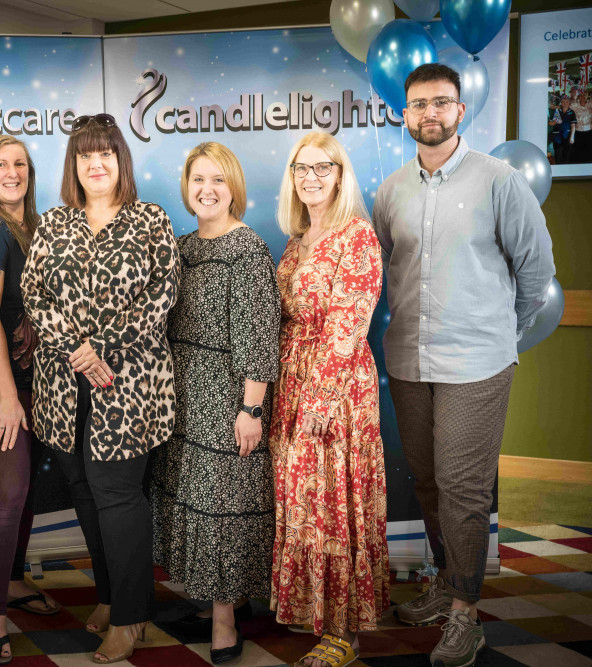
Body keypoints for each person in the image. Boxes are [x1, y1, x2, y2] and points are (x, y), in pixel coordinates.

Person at [374, 63, 555, 667]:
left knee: (462, 490)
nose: (430, 113)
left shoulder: (499, 181)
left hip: (476, 366)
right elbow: (380, 273)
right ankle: (445, 585)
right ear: (404, 113)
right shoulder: (391, 190)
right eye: (419, 104)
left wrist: (498, 333)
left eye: (442, 103)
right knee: (426, 483)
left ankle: (465, 615)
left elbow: (535, 275)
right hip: (408, 362)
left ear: (460, 109)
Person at [20, 113, 180, 664]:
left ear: (121, 161)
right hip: (63, 391)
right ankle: (112, 598)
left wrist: (102, 347)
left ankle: (133, 618)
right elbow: (34, 296)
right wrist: (73, 349)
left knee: (117, 495)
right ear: (74, 165)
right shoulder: (54, 224)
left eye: (106, 153)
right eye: (85, 155)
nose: (96, 164)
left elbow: (162, 294)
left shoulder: (149, 220)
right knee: (85, 494)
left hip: (129, 386)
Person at [151, 142, 279, 664]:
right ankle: (210, 600)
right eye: (198, 179)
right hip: (181, 398)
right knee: (192, 505)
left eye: (218, 180)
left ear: (235, 189)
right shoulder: (180, 247)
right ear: (186, 186)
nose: (207, 190)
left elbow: (259, 336)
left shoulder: (246, 250)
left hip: (228, 400)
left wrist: (251, 410)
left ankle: (226, 620)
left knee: (225, 510)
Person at [269, 131, 388, 667]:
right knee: (303, 504)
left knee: (334, 506)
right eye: (302, 168)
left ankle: (345, 631)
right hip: (292, 382)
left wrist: (318, 398)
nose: (311, 177)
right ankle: (314, 611)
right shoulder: (297, 240)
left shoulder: (356, 236)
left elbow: (348, 323)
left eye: (323, 167)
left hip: (333, 392)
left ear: (340, 175)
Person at [0, 135, 61, 665]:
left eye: (20, 164)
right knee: (7, 494)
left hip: (37, 385)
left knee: (24, 493)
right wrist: (5, 396)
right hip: (0, 388)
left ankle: (17, 580)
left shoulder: (35, 226)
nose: (12, 172)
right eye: (1, 165)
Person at [570, 89, 592, 163]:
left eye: (584, 96)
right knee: (578, 151)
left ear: (587, 96)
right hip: (578, 131)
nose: (582, 97)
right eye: (580, 96)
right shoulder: (574, 105)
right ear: (578, 96)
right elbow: (566, 105)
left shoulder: (591, 104)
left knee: (590, 150)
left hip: (590, 131)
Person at [549, 96, 576, 164]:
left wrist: (572, 137)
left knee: (567, 156)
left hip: (567, 136)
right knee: (558, 156)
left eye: (567, 101)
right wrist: (556, 122)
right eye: (563, 101)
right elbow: (550, 123)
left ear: (569, 102)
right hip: (557, 137)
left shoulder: (572, 112)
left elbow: (573, 125)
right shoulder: (556, 111)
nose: (565, 103)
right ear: (561, 102)